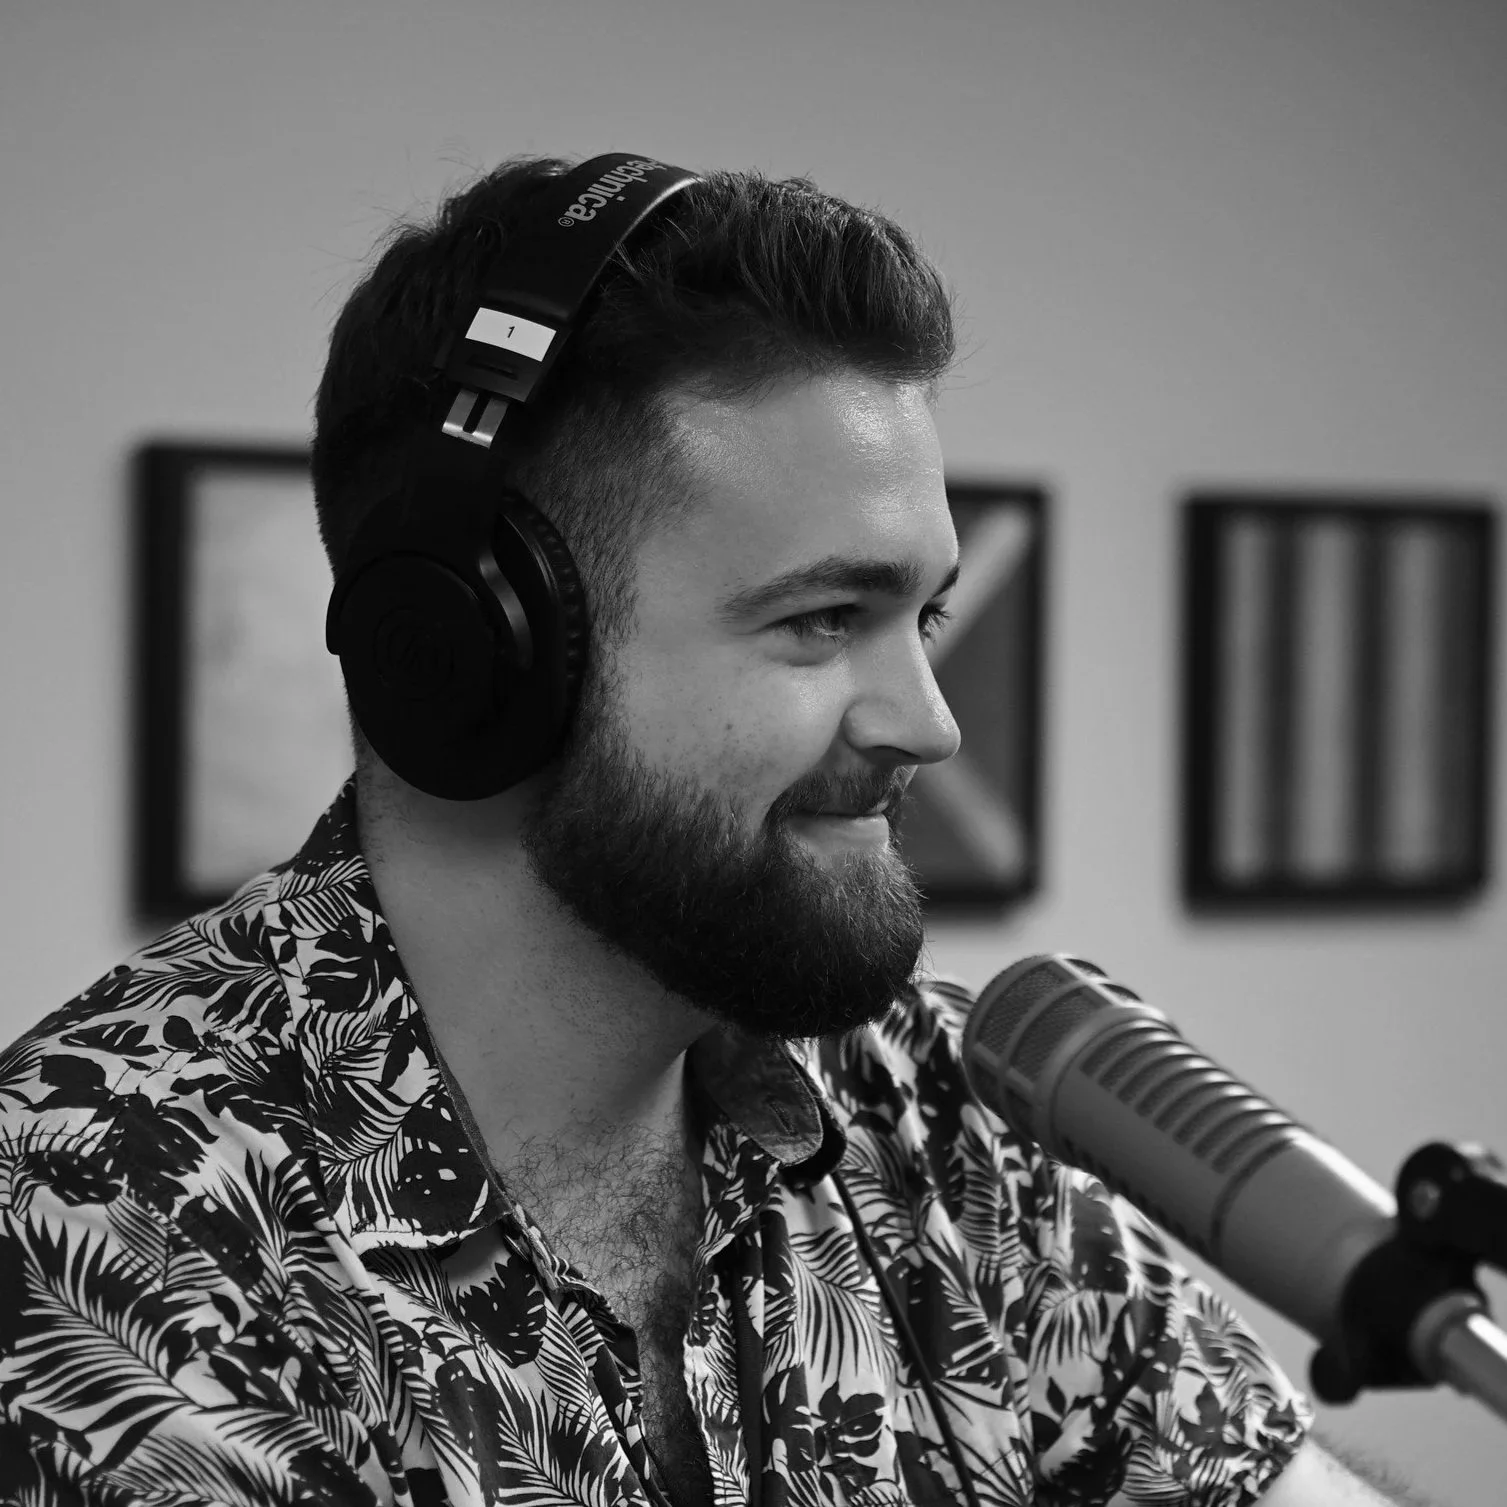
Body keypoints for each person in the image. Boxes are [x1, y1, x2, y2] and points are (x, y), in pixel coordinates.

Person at [0, 156, 1419, 1505]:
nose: (929, 722)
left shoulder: (944, 1117)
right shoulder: (93, 1213)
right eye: (821, 621)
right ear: (473, 656)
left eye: (920, 619)